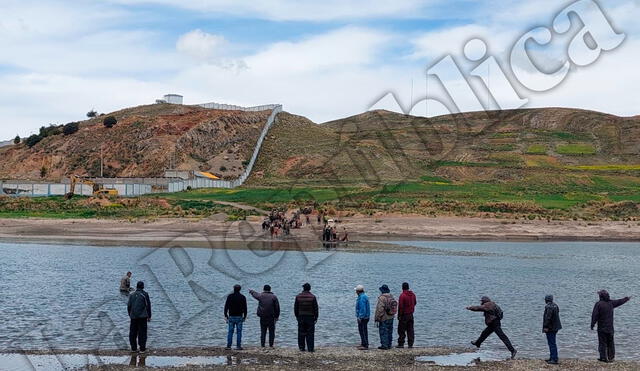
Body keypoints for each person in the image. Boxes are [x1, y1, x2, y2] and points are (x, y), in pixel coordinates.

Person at [591, 290, 630, 363]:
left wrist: (592, 324)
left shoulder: (598, 304)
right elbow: (619, 301)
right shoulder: (611, 303)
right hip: (610, 328)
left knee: (602, 343)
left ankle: (603, 357)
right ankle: (611, 357)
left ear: (601, 296)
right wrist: (626, 299)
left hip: (602, 328)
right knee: (610, 343)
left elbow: (594, 316)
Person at [127, 281, 151, 353]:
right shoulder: (145, 294)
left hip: (133, 317)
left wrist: (130, 315)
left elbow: (129, 306)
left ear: (136, 286)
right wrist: (149, 316)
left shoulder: (132, 295)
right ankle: (142, 349)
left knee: (133, 332)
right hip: (142, 317)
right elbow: (148, 306)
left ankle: (133, 348)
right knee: (142, 333)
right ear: (143, 287)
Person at [294, 283, 319, 352]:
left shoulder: (298, 297)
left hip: (301, 316)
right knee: (310, 333)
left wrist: (297, 316)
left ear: (303, 288)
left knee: (301, 332)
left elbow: (295, 308)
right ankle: (310, 348)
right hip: (310, 317)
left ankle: (302, 348)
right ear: (309, 289)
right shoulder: (313, 297)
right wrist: (316, 317)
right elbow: (316, 308)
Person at [224, 284, 247, 350]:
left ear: (234, 289)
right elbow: (245, 308)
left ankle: (228, 346)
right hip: (239, 316)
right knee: (239, 332)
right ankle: (238, 346)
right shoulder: (243, 297)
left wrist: (225, 315)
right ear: (240, 289)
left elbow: (226, 307)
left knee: (230, 331)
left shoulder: (230, 296)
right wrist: (245, 316)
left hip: (231, 316)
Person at [374, 284, 396, 350]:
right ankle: (389, 344)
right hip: (391, 316)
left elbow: (380, 309)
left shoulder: (382, 298)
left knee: (383, 331)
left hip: (384, 318)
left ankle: (384, 345)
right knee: (390, 331)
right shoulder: (391, 296)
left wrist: (377, 318)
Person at [542, 295, 562, 365]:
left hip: (550, 328)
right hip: (556, 327)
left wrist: (545, 327)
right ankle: (552, 357)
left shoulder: (549, 307)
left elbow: (548, 318)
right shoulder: (555, 305)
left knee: (551, 343)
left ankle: (554, 359)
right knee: (552, 343)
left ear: (546, 300)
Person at [397, 282, 417, 348]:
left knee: (401, 330)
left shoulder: (402, 295)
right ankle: (410, 344)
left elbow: (401, 307)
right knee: (410, 330)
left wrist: (399, 315)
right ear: (408, 287)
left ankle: (401, 343)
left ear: (402, 287)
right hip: (411, 314)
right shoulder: (413, 294)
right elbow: (415, 303)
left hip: (404, 315)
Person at [355, 284, 370, 350]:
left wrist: (360, 317)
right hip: (365, 317)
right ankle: (363, 343)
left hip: (363, 317)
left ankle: (365, 344)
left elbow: (362, 308)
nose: (355, 292)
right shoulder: (364, 296)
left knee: (363, 330)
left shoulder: (362, 297)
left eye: (356, 291)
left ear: (358, 291)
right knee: (363, 330)